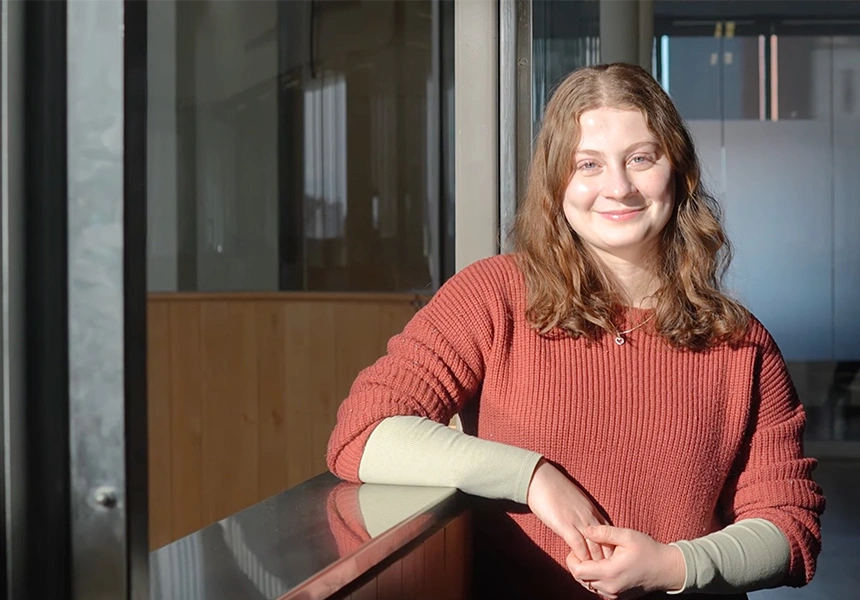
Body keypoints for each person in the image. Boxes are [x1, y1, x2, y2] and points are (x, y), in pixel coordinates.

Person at [326, 63, 824, 599]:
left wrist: (674, 565)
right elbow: (362, 434)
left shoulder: (740, 342)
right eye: (588, 164)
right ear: (557, 181)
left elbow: (790, 526)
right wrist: (531, 475)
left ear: (677, 170)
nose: (619, 187)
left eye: (640, 158)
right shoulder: (495, 297)